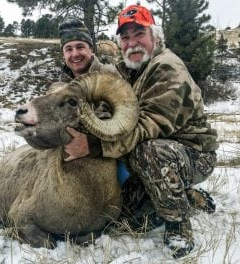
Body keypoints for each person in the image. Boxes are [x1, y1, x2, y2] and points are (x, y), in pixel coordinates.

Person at [64, 4, 219, 258]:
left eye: (139, 34)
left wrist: (93, 146)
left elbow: (146, 127)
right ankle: (188, 198)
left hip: (192, 153)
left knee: (147, 150)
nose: (132, 42)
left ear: (155, 37)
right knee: (121, 216)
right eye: (125, 37)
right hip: (153, 158)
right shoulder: (129, 70)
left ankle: (178, 225)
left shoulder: (167, 67)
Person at [58, 16, 117, 82]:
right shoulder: (61, 85)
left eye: (80, 47)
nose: (75, 54)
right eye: (69, 49)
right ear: (63, 54)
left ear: (91, 50)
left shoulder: (111, 77)